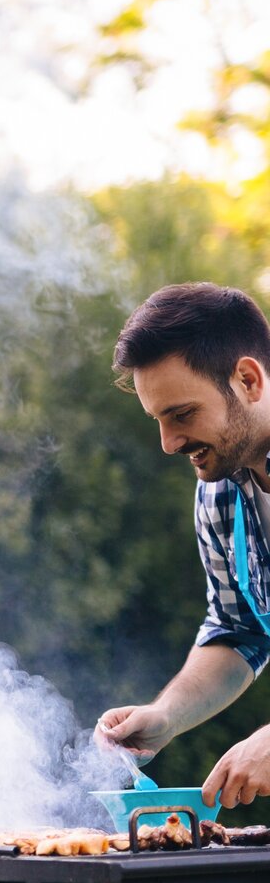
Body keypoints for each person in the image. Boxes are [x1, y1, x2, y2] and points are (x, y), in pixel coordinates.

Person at [96, 282, 270, 808]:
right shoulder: (218, 493)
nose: (169, 444)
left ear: (247, 379)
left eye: (183, 414)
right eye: (159, 420)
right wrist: (168, 714)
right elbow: (239, 630)